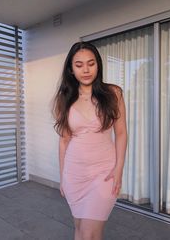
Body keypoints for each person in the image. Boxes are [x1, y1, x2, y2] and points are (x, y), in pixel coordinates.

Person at [52, 41, 127, 240]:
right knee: (79, 230)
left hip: (104, 173)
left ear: (98, 65)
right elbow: (64, 141)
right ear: (71, 69)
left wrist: (119, 169)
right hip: (74, 174)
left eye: (91, 63)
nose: (86, 70)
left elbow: (121, 133)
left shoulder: (113, 93)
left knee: (89, 234)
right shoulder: (64, 99)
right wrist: (63, 178)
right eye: (79, 65)